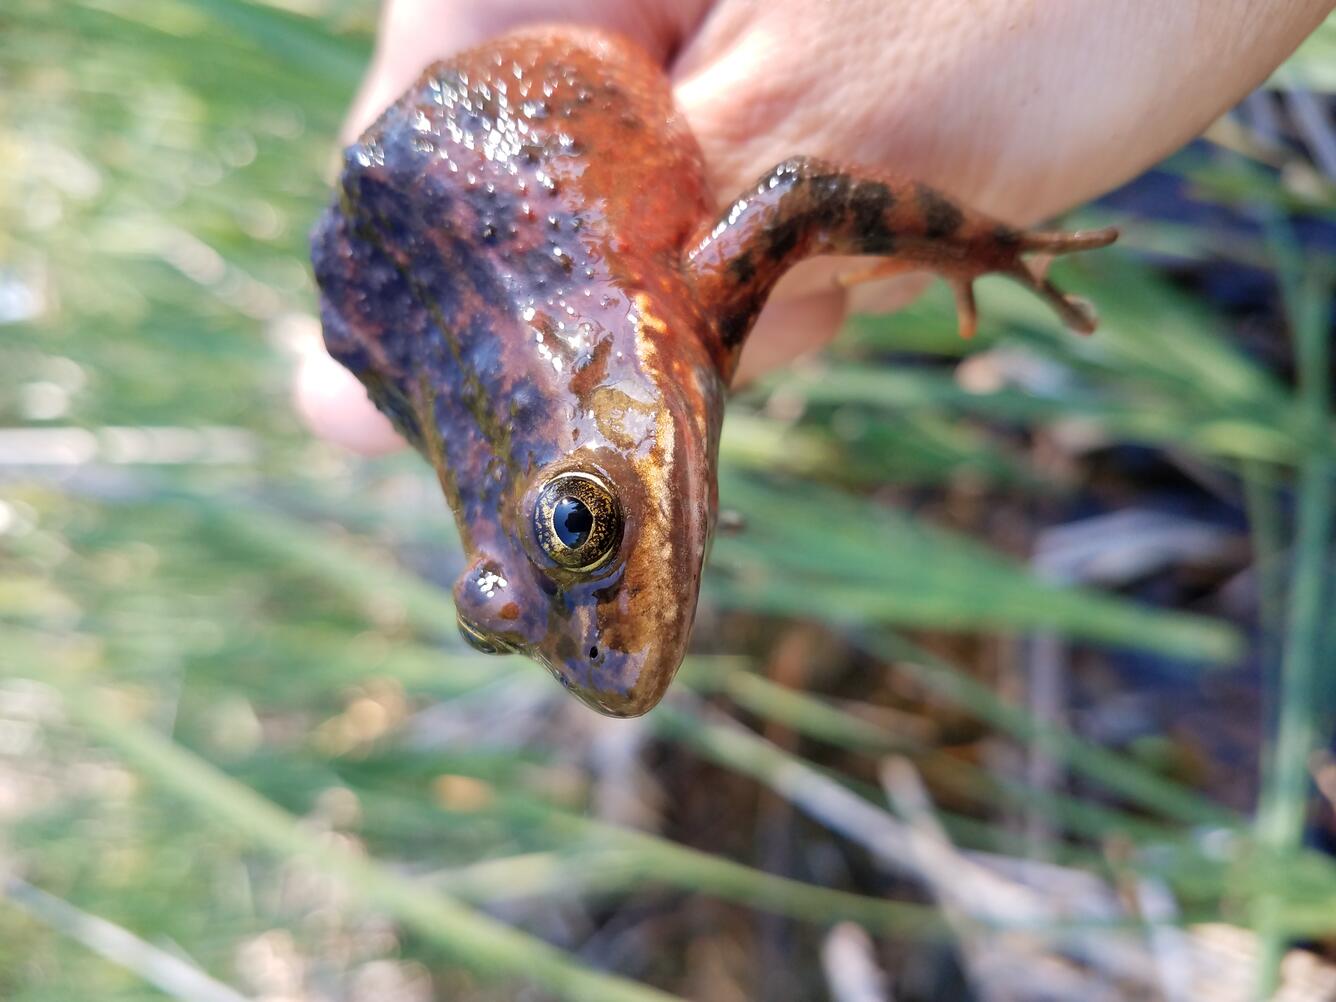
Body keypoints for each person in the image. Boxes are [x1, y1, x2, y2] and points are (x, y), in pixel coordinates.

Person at [296, 0, 1332, 453]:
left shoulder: (651, 333)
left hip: (558, 133)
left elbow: (799, 197)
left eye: (584, 526)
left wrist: (980, 242)